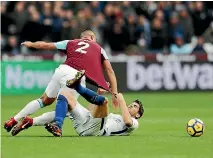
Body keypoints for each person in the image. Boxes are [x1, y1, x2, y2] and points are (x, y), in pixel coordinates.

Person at [4, 30, 118, 133]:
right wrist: (115, 93)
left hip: (61, 70)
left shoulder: (71, 42)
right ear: (93, 38)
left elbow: (45, 45)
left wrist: (31, 44)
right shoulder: (99, 48)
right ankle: (57, 126)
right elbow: (109, 70)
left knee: (43, 100)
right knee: (67, 107)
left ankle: (13, 120)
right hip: (75, 75)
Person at [11, 72, 144, 136]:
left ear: (137, 115)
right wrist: (99, 93)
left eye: (134, 107)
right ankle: (44, 124)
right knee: (65, 95)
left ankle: (78, 87)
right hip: (85, 124)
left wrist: (120, 99)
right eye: (131, 104)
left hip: (97, 131)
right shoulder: (115, 116)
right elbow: (92, 111)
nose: (131, 106)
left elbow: (127, 121)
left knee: (104, 103)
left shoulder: (134, 123)